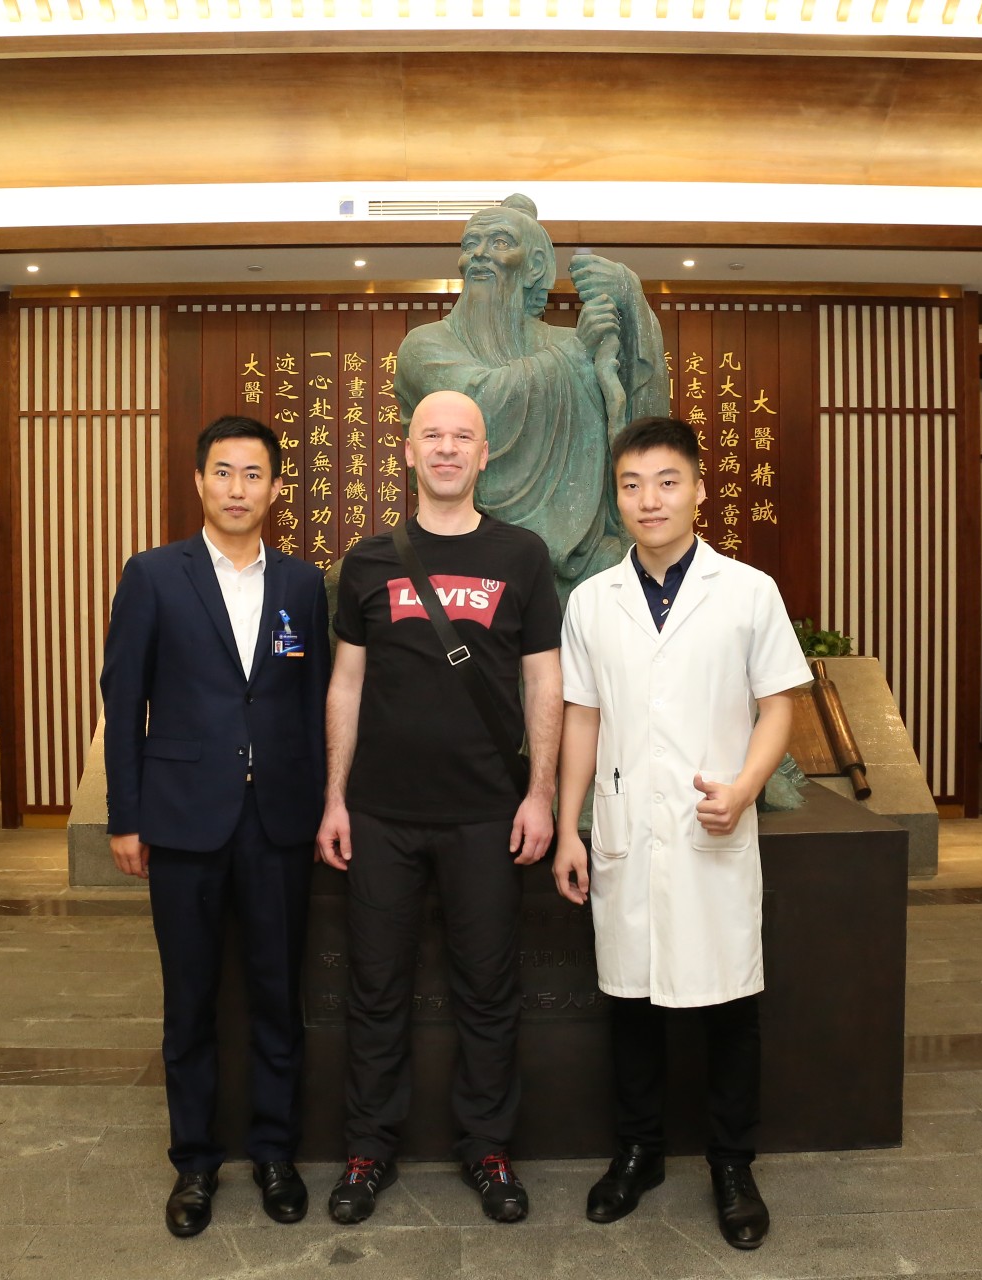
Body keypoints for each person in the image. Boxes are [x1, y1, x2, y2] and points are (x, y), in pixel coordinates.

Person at [552, 416, 809, 1251]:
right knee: (631, 1002)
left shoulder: (747, 591)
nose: (649, 500)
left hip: (713, 829)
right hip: (626, 828)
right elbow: (582, 716)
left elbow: (779, 706)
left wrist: (745, 787)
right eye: (632, 485)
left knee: (730, 1006)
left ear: (699, 489)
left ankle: (733, 1166)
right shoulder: (593, 601)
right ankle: (639, 1153)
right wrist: (569, 827)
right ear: (617, 497)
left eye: (667, 482)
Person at [316, 389, 563, 1225]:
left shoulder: (522, 555)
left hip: (487, 814)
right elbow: (346, 684)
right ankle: (367, 1150)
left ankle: (488, 1149)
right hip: (380, 815)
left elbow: (545, 681)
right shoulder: (368, 562)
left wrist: (541, 795)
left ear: (485, 455)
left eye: (464, 437)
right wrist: (335, 798)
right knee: (375, 988)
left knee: (487, 991)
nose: (448, 448)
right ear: (409, 451)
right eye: (433, 435)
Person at [99, 415, 330, 1239]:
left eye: (253, 474)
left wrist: (322, 806)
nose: (238, 488)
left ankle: (274, 1154)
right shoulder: (154, 575)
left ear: (276, 488)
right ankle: (194, 1163)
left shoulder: (302, 584)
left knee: (277, 997)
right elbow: (124, 700)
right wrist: (125, 817)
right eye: (223, 472)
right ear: (198, 481)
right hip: (183, 821)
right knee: (189, 1002)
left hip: (277, 823)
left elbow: (312, 703)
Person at [393, 194, 667, 596]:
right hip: (465, 545)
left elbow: (643, 429)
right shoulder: (426, 345)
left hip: (583, 555)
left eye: (500, 243)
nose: (479, 254)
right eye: (470, 244)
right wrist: (575, 355)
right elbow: (479, 404)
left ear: (535, 265)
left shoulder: (570, 341)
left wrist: (630, 299)